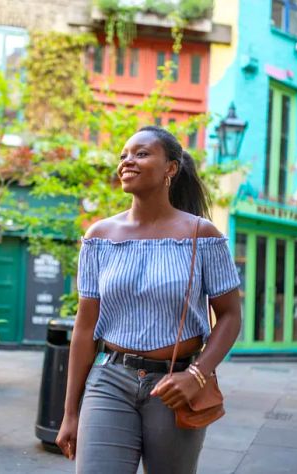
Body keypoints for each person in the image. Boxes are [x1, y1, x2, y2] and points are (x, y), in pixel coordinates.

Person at [56, 126, 242, 473]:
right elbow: (84, 329)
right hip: (110, 379)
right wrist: (69, 413)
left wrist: (197, 375)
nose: (127, 161)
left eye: (141, 154)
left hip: (175, 386)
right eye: (124, 155)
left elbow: (230, 316)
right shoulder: (99, 237)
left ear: (171, 168)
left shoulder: (201, 236)